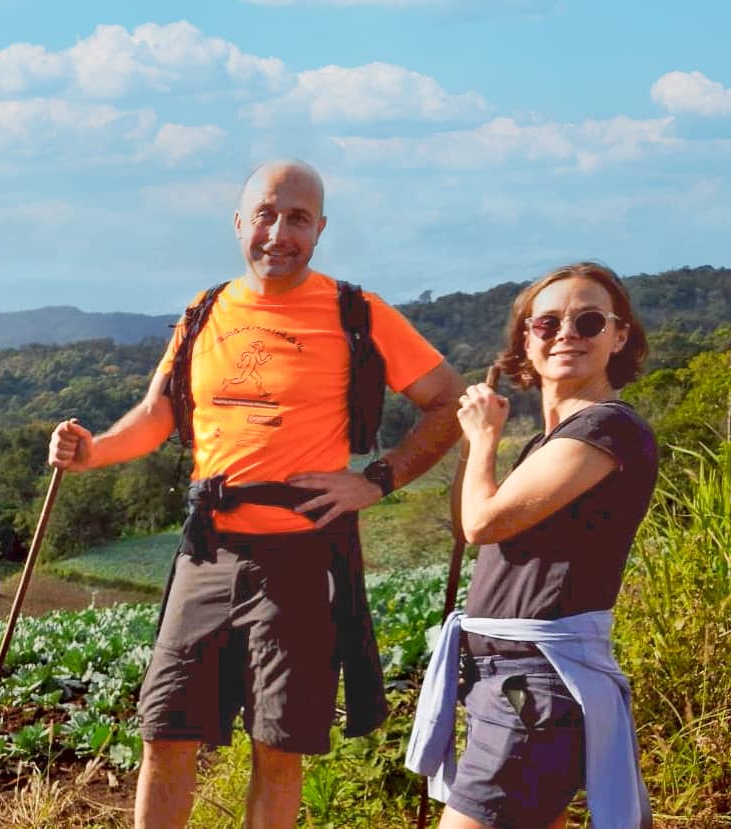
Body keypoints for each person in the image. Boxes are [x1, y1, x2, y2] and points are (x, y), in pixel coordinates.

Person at [48, 159, 465, 829]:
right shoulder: (204, 309)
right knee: (164, 729)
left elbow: (446, 400)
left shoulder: (354, 311)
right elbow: (158, 414)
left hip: (303, 556)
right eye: (265, 215)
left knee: (277, 745)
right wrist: (94, 451)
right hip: (206, 550)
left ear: (319, 229)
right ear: (239, 223)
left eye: (297, 218)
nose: (279, 232)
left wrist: (376, 479)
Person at [406, 262, 658, 829]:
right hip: (514, 683)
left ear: (618, 337)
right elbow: (466, 520)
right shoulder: (554, 443)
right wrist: (477, 448)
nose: (566, 332)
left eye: (589, 321)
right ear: (528, 340)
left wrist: (485, 437)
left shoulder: (606, 429)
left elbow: (482, 523)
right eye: (547, 323)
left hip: (534, 687)